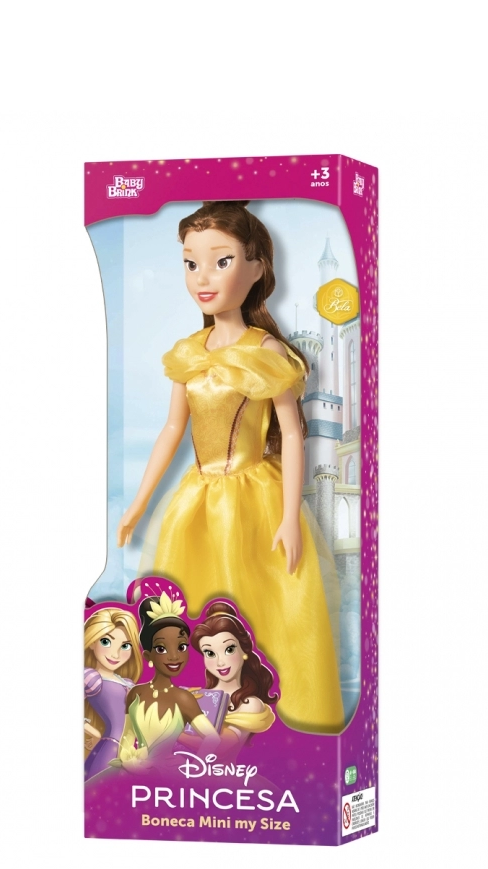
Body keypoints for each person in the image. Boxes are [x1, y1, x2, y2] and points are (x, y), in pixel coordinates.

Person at [117, 200, 344, 735]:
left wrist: (289, 517)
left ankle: (282, 722)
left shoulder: (265, 351)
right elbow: (172, 430)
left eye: (221, 261)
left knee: (268, 604)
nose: (203, 277)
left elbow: (292, 433)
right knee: (193, 606)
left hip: (255, 498)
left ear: (257, 266)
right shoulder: (188, 353)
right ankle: (193, 727)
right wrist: (139, 504)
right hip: (195, 502)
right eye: (191, 263)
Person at [109, 589, 221, 773]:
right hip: (135, 770)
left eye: (181, 646)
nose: (174, 656)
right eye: (161, 648)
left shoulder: (183, 698)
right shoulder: (136, 693)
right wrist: (129, 762)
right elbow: (127, 736)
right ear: (148, 655)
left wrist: (194, 765)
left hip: (168, 771)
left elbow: (212, 738)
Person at [187, 600, 277, 758]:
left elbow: (220, 746)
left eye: (229, 649)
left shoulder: (250, 703)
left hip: (222, 772)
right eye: (210, 653)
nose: (220, 662)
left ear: (244, 650)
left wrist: (172, 734)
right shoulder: (199, 696)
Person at [83, 607, 143, 780]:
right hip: (110, 749)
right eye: (106, 642)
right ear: (92, 642)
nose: (115, 654)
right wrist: (94, 733)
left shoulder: (128, 683)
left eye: (125, 646)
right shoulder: (91, 677)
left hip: (132, 753)